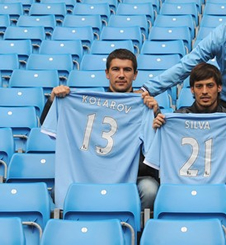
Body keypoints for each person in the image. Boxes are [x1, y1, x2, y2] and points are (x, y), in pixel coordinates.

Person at [40, 49, 160, 210]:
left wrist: (155, 114)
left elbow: (156, 150)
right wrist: (54, 100)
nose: (122, 75)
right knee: (60, 191)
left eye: (127, 70)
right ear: (107, 73)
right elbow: (49, 124)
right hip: (88, 174)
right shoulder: (86, 104)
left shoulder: (145, 106)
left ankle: (137, 233)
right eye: (116, 69)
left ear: (135, 74)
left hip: (132, 177)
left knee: (149, 189)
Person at [151, 63, 226, 209]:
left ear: (219, 88)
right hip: (179, 187)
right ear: (192, 90)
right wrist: (157, 127)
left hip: (218, 188)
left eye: (210, 86)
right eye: (199, 86)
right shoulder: (175, 119)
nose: (204, 92)